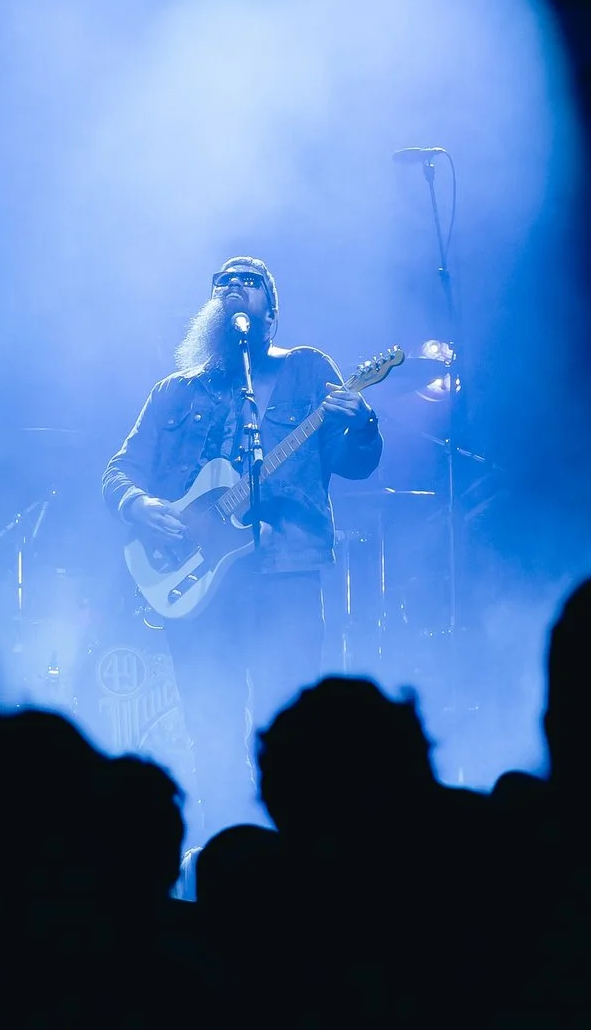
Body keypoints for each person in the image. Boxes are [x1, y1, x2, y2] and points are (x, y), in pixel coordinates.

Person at [103, 256, 382, 829]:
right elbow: (119, 471)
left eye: (249, 282)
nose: (234, 288)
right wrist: (140, 506)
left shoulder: (307, 373)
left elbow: (353, 464)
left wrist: (363, 422)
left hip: (287, 571)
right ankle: (224, 852)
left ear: (271, 313)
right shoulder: (175, 393)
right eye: (223, 283)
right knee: (212, 728)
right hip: (198, 583)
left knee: (293, 730)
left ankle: (298, 858)